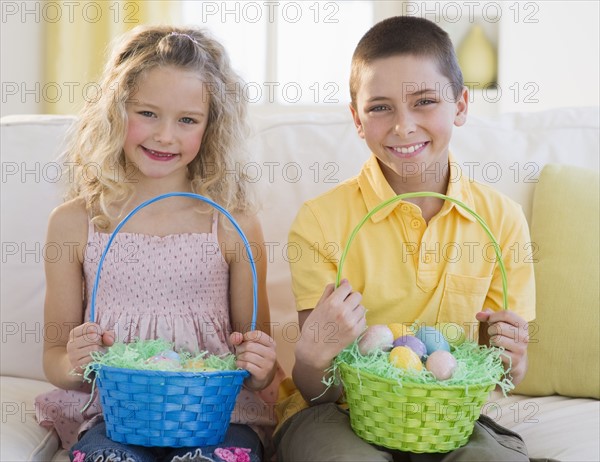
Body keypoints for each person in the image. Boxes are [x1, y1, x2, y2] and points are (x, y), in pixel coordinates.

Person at [274, 16, 534, 462]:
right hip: (340, 415)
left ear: (461, 104)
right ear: (357, 119)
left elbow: (502, 374)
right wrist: (312, 358)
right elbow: (318, 391)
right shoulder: (321, 221)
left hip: (447, 415)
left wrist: (512, 358)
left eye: (424, 101)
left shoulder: (500, 221)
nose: (404, 125)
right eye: (380, 107)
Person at [35, 25, 282, 462]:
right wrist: (74, 362)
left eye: (187, 120)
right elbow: (55, 356)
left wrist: (260, 370)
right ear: (115, 110)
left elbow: (255, 360)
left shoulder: (232, 223)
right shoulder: (75, 223)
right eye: (147, 113)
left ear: (211, 127)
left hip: (218, 420)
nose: (165, 135)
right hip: (116, 418)